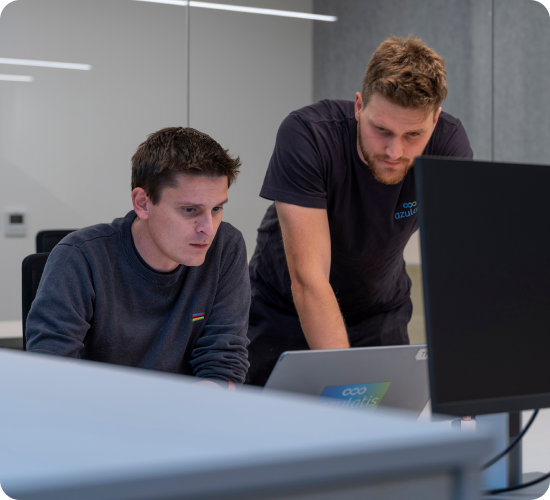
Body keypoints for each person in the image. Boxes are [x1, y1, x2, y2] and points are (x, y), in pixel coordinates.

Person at [246, 35, 473, 387]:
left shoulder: (447, 144)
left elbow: (459, 268)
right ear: (358, 106)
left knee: (382, 435)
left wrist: (466, 375)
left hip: (380, 312)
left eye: (413, 134)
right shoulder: (308, 136)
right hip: (285, 309)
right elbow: (309, 279)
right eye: (380, 129)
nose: (395, 151)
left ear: (435, 120)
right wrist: (348, 388)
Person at [26, 127, 250, 389]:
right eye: (190, 210)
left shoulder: (226, 247)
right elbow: (50, 373)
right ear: (143, 203)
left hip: (187, 416)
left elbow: (224, 361)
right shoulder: (80, 258)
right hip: (97, 418)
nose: (208, 229)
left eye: (217, 209)